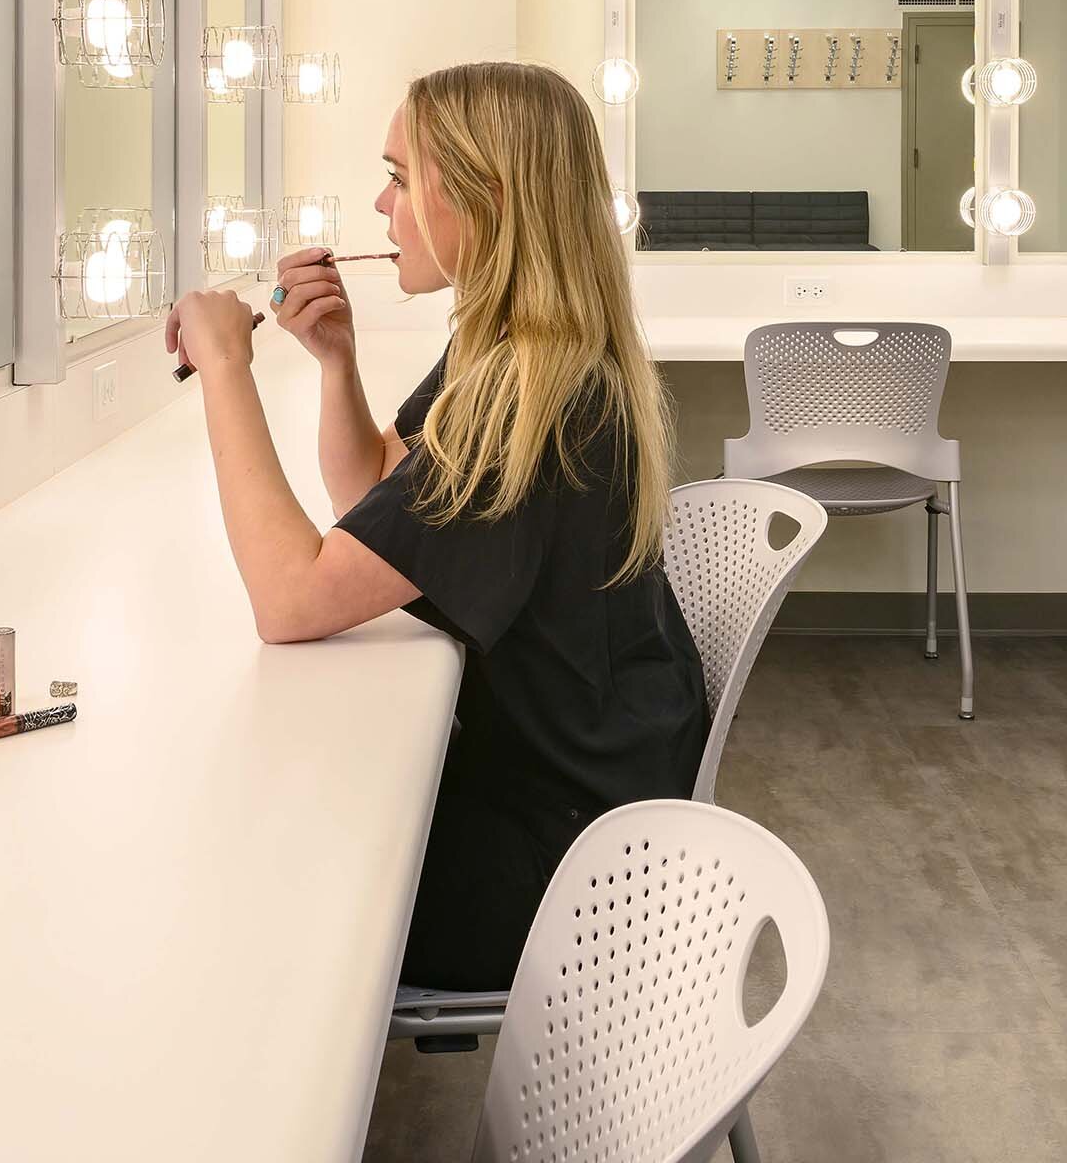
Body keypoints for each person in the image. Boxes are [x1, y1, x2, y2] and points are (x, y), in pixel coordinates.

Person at [166, 60, 706, 993]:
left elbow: (291, 600)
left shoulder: (528, 401)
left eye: (402, 178)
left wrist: (224, 368)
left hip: (572, 861)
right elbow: (376, 489)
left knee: (244, 880)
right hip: (579, 786)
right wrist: (334, 362)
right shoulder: (511, 347)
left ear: (485, 199)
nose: (380, 204)